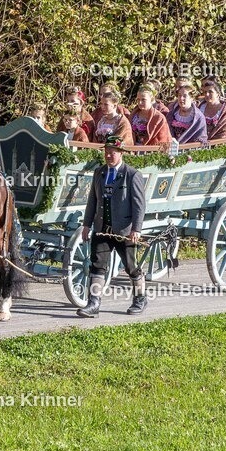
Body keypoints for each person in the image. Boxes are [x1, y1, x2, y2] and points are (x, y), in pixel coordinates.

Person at [78, 135, 147, 317]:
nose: (109, 156)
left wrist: (136, 229)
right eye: (106, 152)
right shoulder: (99, 173)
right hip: (102, 228)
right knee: (97, 265)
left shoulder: (132, 175)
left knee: (131, 266)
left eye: (113, 152)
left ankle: (140, 298)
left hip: (124, 231)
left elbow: (139, 205)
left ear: (121, 153)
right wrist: (86, 225)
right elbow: (92, 201)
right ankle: (93, 303)